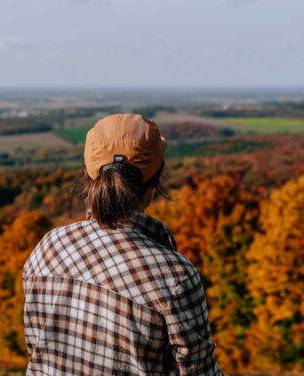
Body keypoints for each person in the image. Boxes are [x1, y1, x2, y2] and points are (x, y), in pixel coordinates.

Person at [23, 114, 223, 375]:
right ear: (157, 178)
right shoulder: (175, 275)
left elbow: (36, 351)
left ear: (88, 174)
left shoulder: (49, 247)